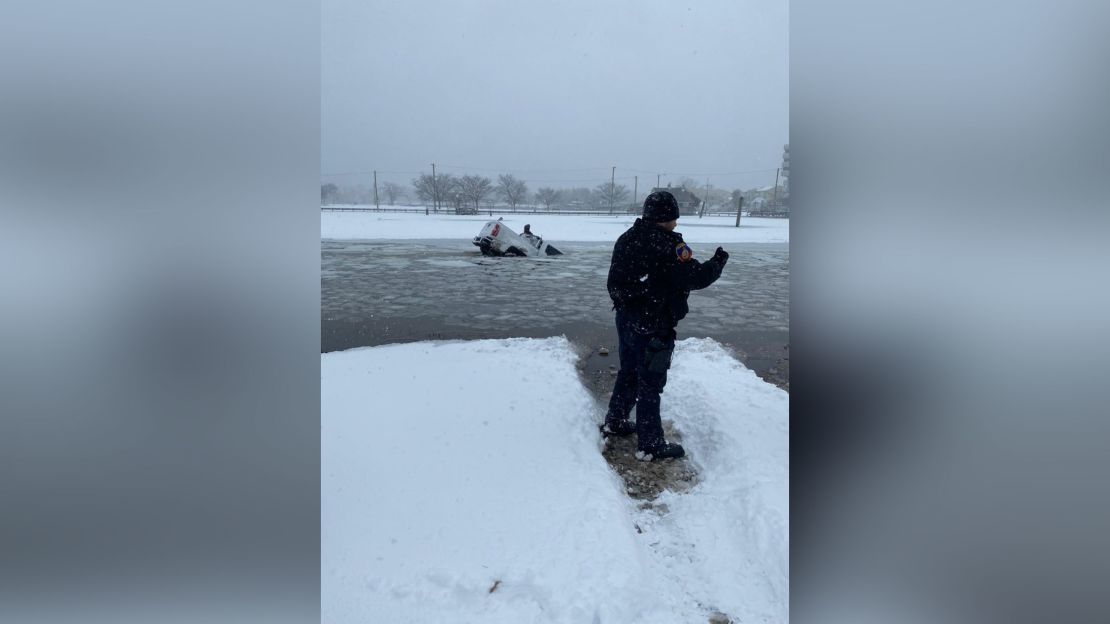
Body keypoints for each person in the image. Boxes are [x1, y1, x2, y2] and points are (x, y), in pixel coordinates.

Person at [601, 191, 729, 460]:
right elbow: (695, 277)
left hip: (626, 318)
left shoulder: (627, 238)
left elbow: (615, 284)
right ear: (667, 217)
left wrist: (637, 296)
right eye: (674, 217)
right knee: (650, 382)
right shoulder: (667, 245)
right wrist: (717, 263)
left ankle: (615, 421)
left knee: (630, 372)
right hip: (654, 323)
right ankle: (650, 444)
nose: (676, 223)